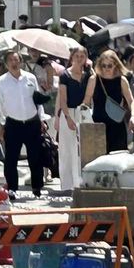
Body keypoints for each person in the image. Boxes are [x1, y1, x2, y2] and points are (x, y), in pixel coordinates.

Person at [0, 48, 45, 199]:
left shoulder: (30, 78)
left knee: (35, 157)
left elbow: (38, 100)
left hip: (32, 121)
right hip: (13, 123)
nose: (14, 63)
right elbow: (0, 104)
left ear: (21, 62)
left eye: (16, 60)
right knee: (11, 159)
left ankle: (37, 188)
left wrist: (42, 119)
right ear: (6, 63)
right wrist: (1, 124)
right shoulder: (1, 82)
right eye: (11, 60)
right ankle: (12, 190)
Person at [83, 49, 134, 153]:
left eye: (109, 66)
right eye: (104, 65)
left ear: (115, 65)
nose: (106, 69)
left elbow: (131, 101)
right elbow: (86, 102)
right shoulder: (94, 79)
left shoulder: (122, 80)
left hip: (117, 127)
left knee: (119, 160)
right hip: (98, 127)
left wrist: (133, 116)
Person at [56, 47, 91, 192]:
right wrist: (67, 117)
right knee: (66, 148)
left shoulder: (88, 75)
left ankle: (80, 181)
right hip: (68, 112)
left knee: (82, 149)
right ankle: (67, 184)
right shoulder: (65, 75)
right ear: (72, 57)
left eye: (82, 56)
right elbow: (63, 99)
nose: (79, 58)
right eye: (76, 56)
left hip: (83, 112)